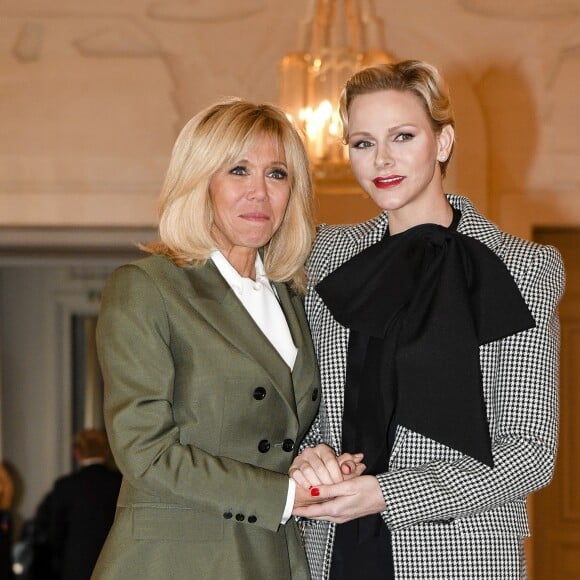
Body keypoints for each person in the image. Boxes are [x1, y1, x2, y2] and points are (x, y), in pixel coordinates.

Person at [290, 60, 565, 579]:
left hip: (457, 553)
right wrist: (312, 458)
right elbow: (305, 408)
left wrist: (385, 494)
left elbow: (529, 452)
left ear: (442, 143)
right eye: (363, 142)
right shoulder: (326, 255)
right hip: (333, 545)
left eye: (403, 136)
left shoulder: (522, 267)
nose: (382, 159)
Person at [92, 98, 355, 580]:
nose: (259, 193)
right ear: (200, 182)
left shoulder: (292, 295)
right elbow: (144, 452)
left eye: (277, 175)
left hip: (274, 556)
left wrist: (312, 458)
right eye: (238, 171)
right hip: (178, 560)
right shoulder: (148, 286)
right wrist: (285, 496)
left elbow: (273, 431)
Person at [32, 429, 121, 580]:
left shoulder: (66, 486)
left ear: (77, 452)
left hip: (75, 567)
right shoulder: (120, 483)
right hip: (113, 565)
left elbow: (55, 534)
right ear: (107, 451)